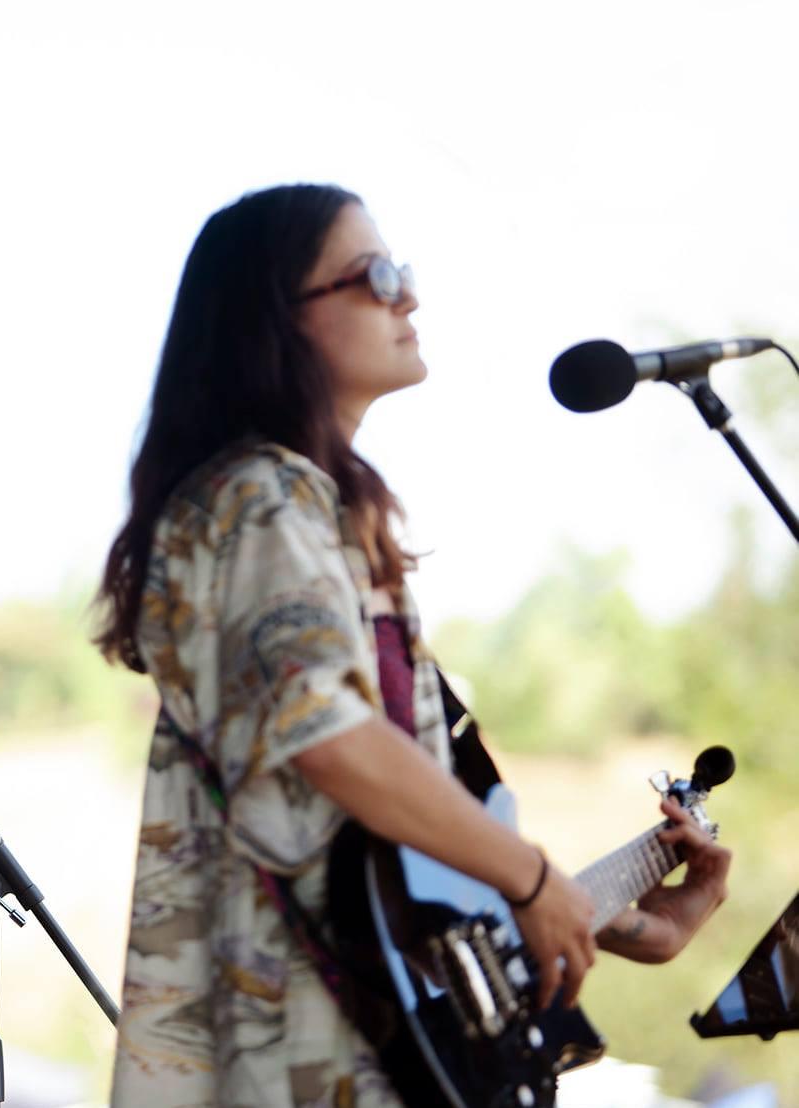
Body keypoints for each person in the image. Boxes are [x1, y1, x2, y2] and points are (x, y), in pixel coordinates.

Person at [94, 184, 732, 1107]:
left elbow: (392, 886)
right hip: (299, 1060)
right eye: (374, 275)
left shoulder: (318, 515)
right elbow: (332, 738)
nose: (409, 297)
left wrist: (630, 921)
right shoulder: (255, 499)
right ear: (277, 321)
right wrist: (530, 874)